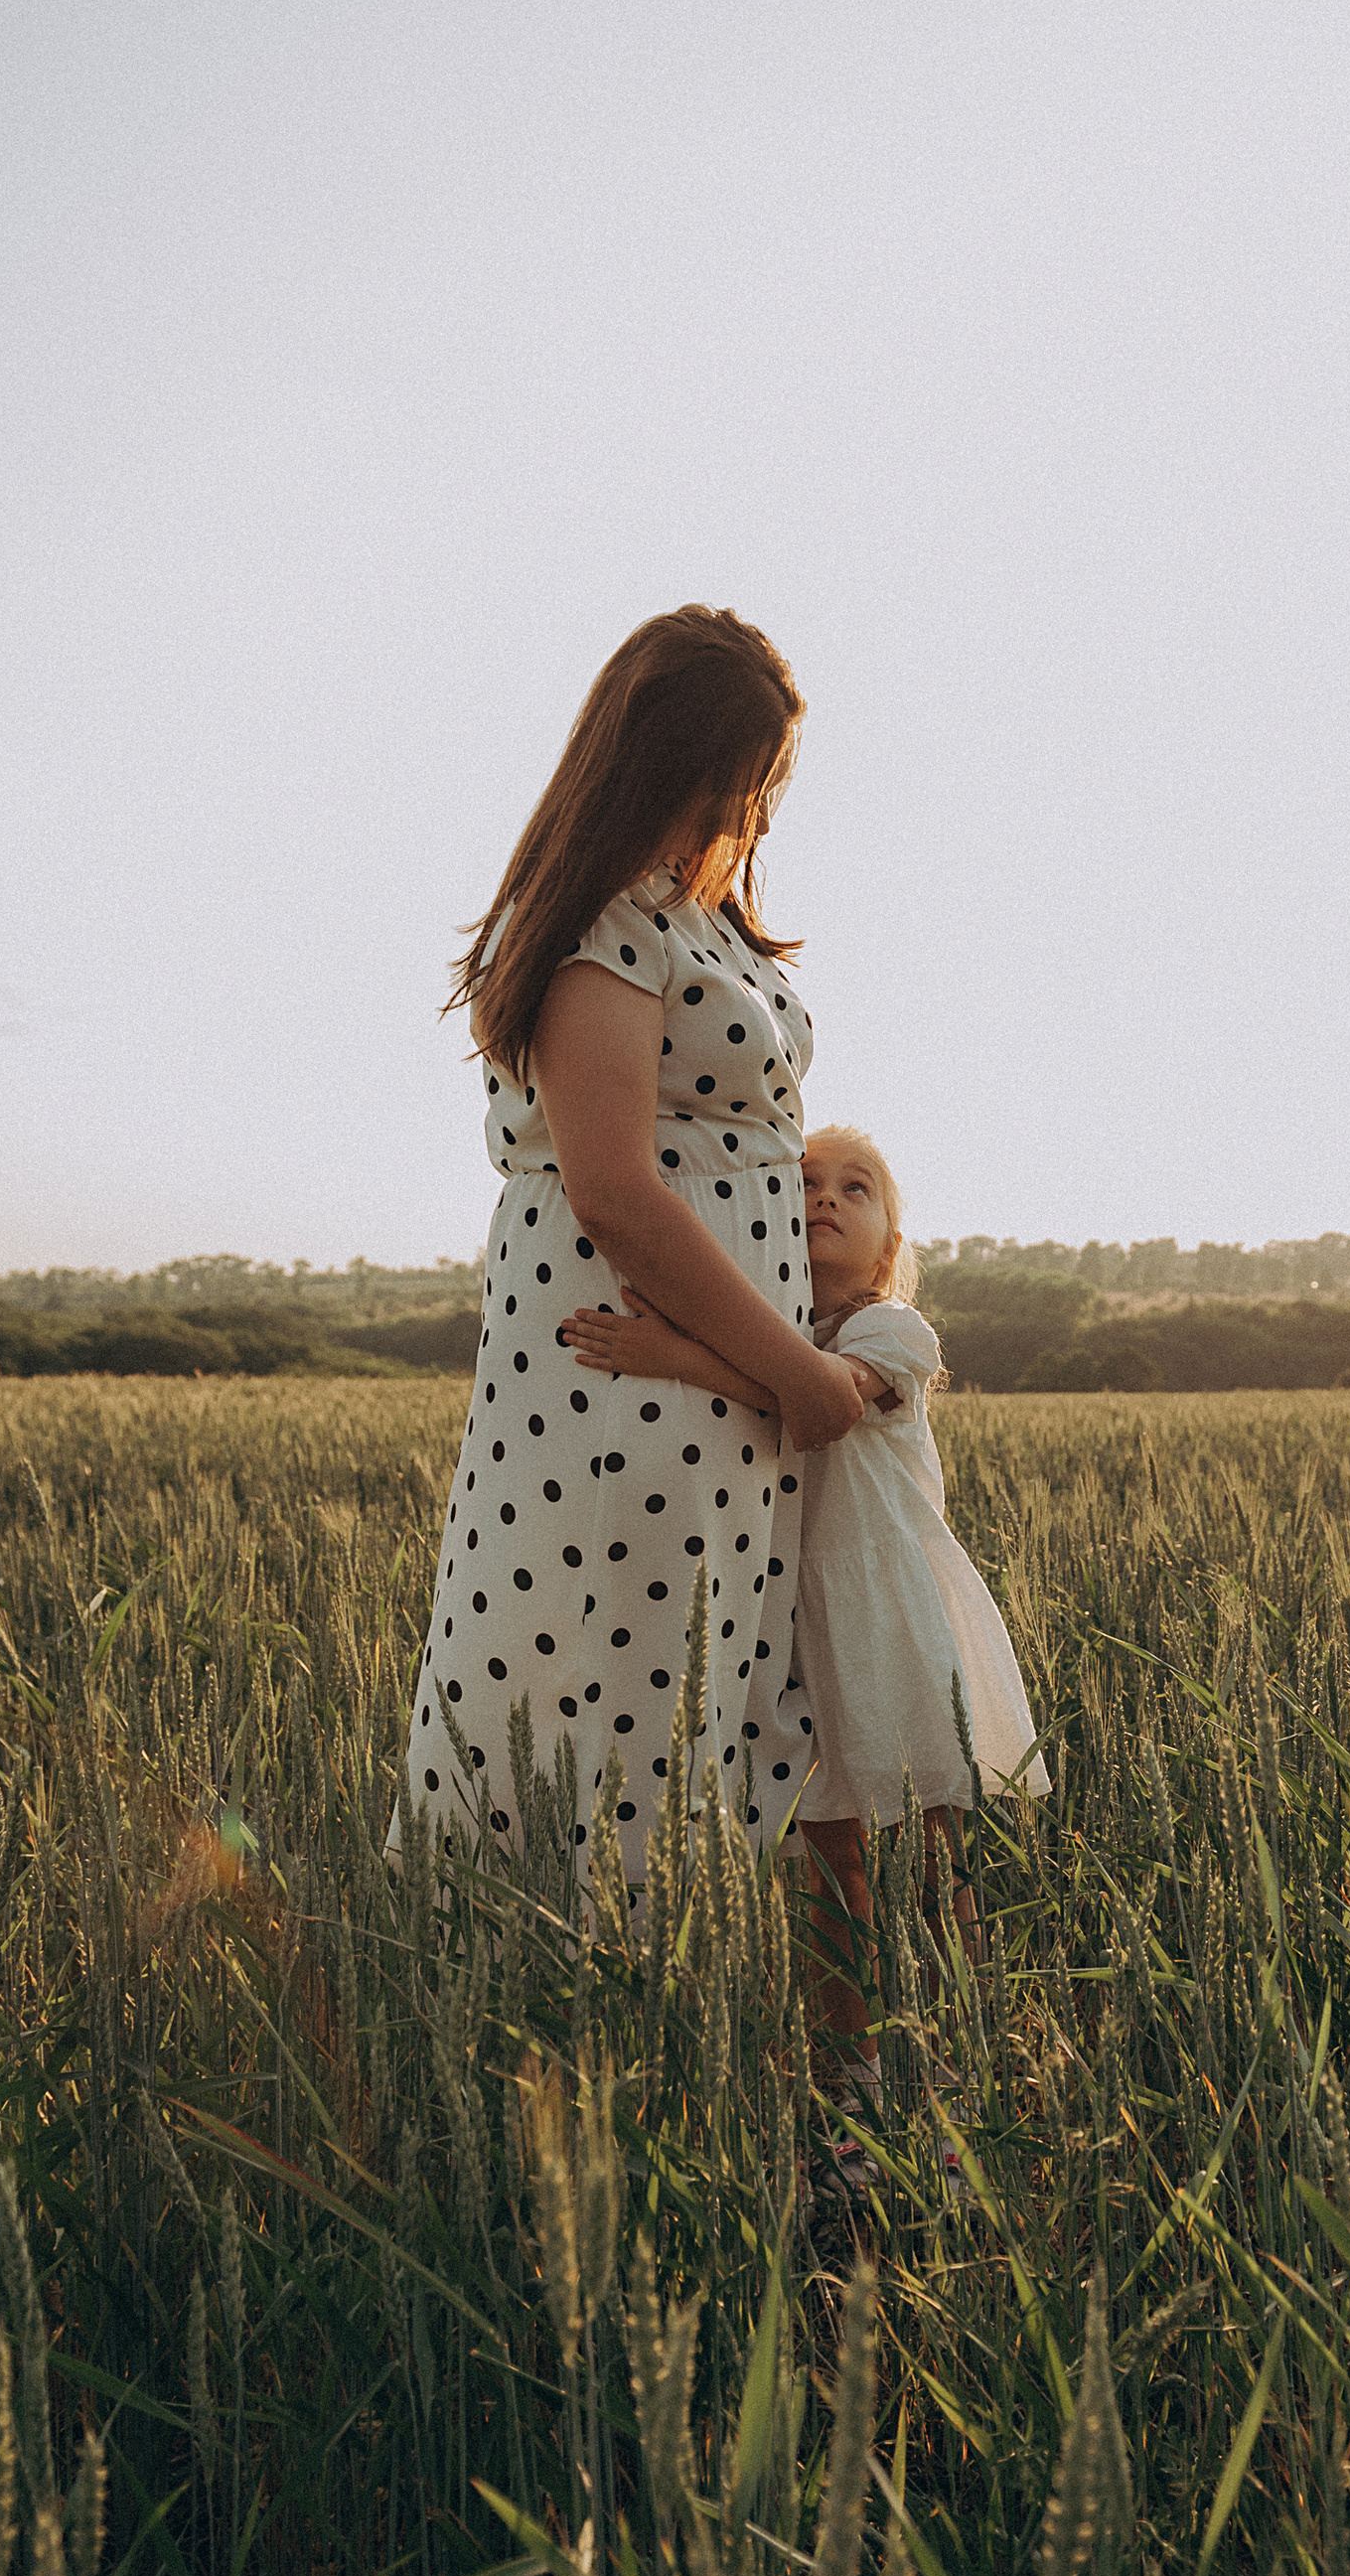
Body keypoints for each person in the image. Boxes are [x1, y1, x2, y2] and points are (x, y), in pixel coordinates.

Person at [388, 608, 866, 1874]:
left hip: (717, 1381)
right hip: (622, 1388)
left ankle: (687, 2013)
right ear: (674, 765)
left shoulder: (694, 917)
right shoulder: (602, 924)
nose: (756, 810)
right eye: (744, 781)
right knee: (607, 1693)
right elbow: (613, 1190)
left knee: (705, 1696)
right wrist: (796, 1369)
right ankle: (575, 2016)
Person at [562, 1122, 1048, 2084]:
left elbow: (816, 1397)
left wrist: (675, 1355)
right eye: (807, 1180)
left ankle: (957, 2057)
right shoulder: (772, 1329)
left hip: (893, 1619)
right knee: (835, 1873)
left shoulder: (891, 1333)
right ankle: (852, 2071)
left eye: (856, 1188)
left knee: (932, 1866)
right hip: (795, 1623)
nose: (825, 1196)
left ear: (889, 1243)